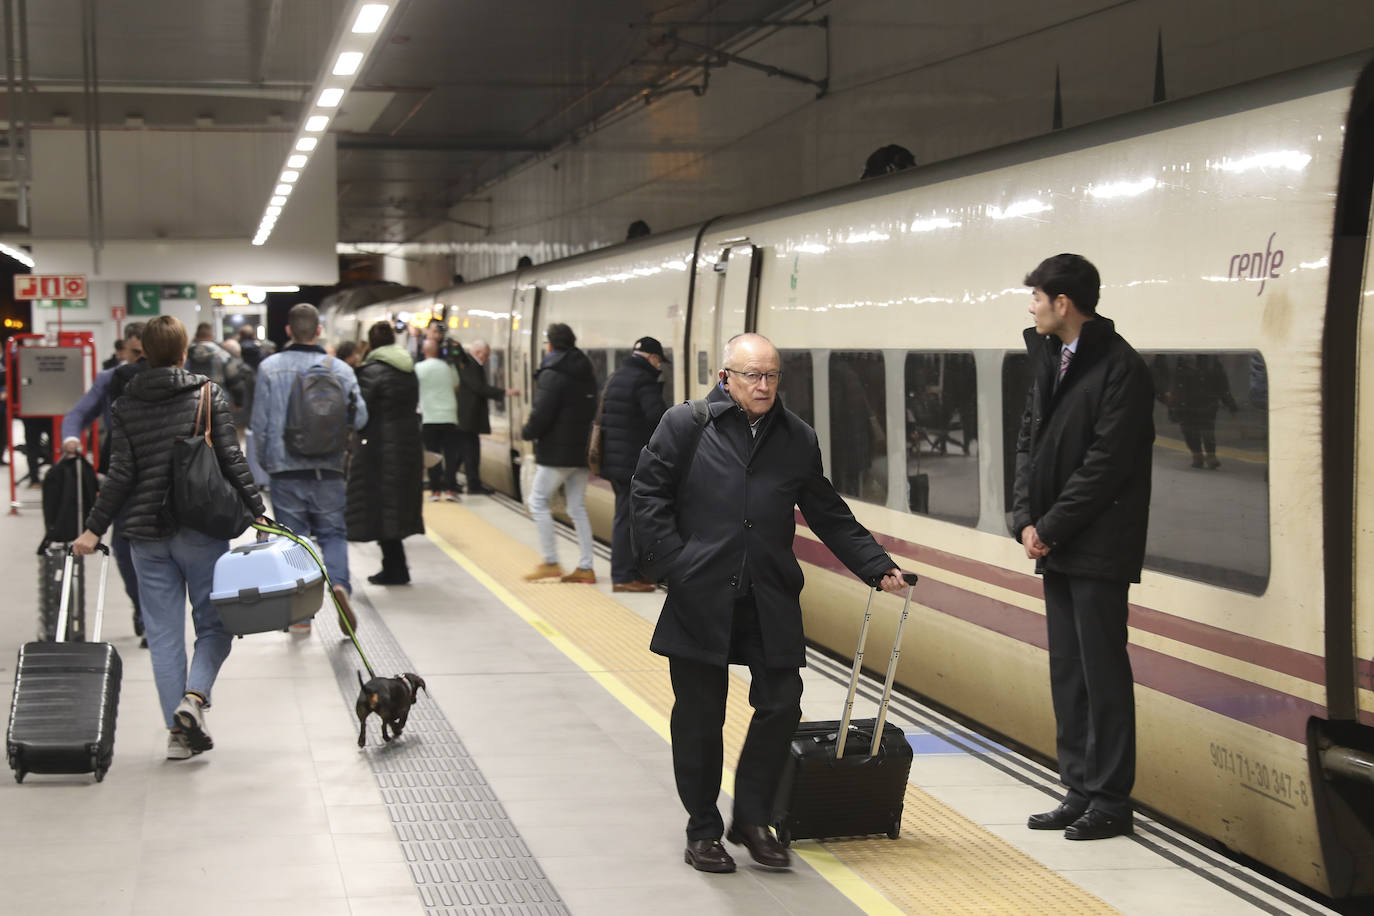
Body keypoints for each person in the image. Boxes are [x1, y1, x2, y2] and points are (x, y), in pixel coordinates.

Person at [631, 332, 909, 874]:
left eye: (772, 376)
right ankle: (703, 829)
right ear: (725, 378)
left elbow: (827, 511)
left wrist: (877, 565)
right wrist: (675, 567)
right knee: (700, 718)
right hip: (701, 594)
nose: (763, 385)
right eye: (752, 375)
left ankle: (753, 818)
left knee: (782, 704)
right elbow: (648, 494)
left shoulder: (796, 437)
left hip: (769, 594)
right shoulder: (686, 425)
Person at [73, 315, 265, 760]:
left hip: (144, 535)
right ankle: (193, 699)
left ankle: (178, 736)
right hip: (200, 528)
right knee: (213, 624)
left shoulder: (125, 404)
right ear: (183, 353)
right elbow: (232, 459)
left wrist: (92, 528)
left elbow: (120, 475)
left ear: (142, 353)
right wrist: (259, 511)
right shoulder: (205, 392)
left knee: (162, 635)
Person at [1012, 253, 1155, 841]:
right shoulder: (1050, 359)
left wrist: (1051, 527)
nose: (1031, 306)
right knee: (1068, 672)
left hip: (1098, 547)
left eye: (1037, 296)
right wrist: (1024, 517)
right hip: (1056, 544)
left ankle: (1111, 800)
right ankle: (1077, 789)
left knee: (1103, 676)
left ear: (1063, 303)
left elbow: (1106, 465)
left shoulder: (1121, 369)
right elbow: (1028, 439)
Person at [251, 303, 368, 624]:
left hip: (285, 470)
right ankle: (340, 586)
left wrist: (265, 465)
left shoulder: (269, 368)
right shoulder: (340, 369)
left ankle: (301, 615)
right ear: (319, 330)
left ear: (288, 331)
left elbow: (259, 425)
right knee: (332, 533)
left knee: (294, 538)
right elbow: (360, 418)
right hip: (329, 468)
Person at [61, 322, 147, 643]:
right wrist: (72, 439)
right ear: (122, 350)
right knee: (124, 553)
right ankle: (142, 608)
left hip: (163, 481)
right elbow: (77, 414)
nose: (141, 359)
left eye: (146, 352)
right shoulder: (110, 380)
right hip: (122, 479)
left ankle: (153, 614)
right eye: (135, 352)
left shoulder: (174, 376)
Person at [348, 321, 424, 584]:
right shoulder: (409, 368)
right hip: (408, 444)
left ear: (371, 343)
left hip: (380, 447)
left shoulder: (372, 371)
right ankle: (395, 565)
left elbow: (361, 413)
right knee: (394, 505)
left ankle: (395, 568)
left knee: (381, 505)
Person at [520, 322, 597, 583]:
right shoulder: (584, 368)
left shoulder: (552, 372)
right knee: (577, 507)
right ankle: (586, 566)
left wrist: (528, 431)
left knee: (537, 501)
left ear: (550, 345)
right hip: (581, 449)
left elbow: (543, 412)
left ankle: (551, 561)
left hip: (557, 452)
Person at [595, 335, 667, 592]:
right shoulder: (644, 380)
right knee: (627, 519)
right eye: (659, 362)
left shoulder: (616, 376)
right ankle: (624, 576)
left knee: (627, 517)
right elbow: (658, 419)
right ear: (653, 358)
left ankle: (631, 573)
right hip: (632, 463)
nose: (659, 367)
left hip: (615, 461)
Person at [455, 339, 516, 495]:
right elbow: (479, 387)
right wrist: (503, 393)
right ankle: (471, 484)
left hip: (468, 418)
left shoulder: (470, 364)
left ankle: (452, 480)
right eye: (486, 355)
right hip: (468, 417)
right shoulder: (470, 365)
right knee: (470, 453)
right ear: (478, 353)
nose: (487, 359)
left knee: (465, 451)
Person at [416, 336, 462, 501]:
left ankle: (435, 491)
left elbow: (415, 387)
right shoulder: (448, 367)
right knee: (450, 454)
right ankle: (450, 489)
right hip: (449, 415)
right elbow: (456, 385)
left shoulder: (419, 368)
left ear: (424, 351)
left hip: (429, 417)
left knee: (432, 454)